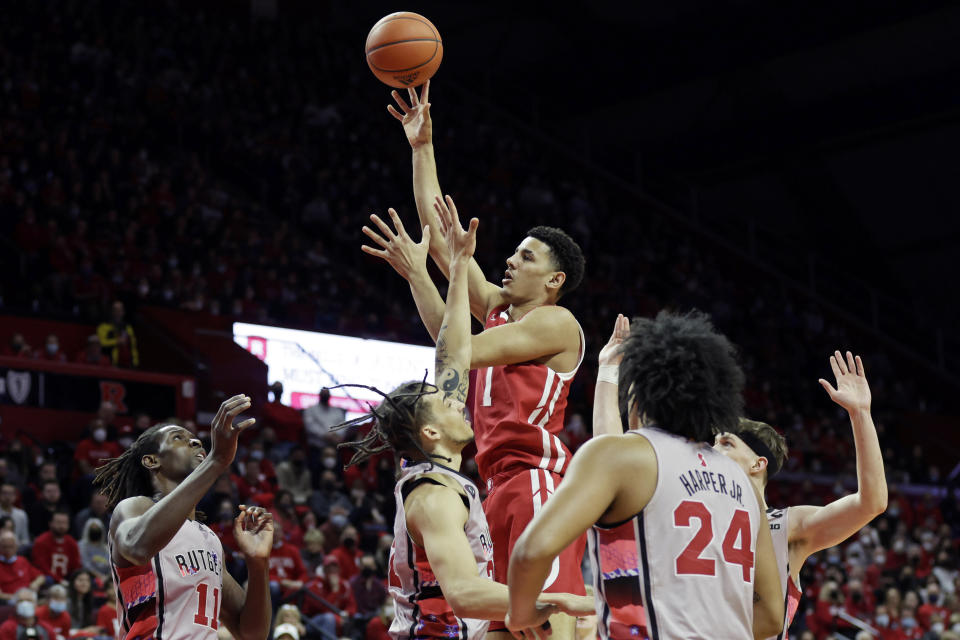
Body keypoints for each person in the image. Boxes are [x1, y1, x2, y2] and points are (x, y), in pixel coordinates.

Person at [346, 203, 591, 640]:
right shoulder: (498, 311)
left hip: (534, 478)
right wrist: (422, 148)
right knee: (505, 624)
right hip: (494, 486)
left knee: (548, 626)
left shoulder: (556, 322)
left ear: (555, 281)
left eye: (527, 256)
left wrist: (432, 274)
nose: (510, 261)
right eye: (515, 253)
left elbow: (457, 350)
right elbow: (443, 246)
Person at [506, 310, 784, 640]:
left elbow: (530, 553)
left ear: (642, 392)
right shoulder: (744, 485)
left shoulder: (621, 458)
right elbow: (770, 615)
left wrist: (521, 614)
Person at [712, 351, 888, 639]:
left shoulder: (787, 525)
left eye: (727, 444)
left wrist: (860, 415)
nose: (714, 451)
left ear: (758, 463)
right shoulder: (697, 512)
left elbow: (872, 502)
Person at [94, 394, 273, 640]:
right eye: (179, 438)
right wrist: (217, 460)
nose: (196, 442)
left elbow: (252, 633)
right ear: (151, 460)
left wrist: (258, 563)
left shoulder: (207, 537)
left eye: (195, 439)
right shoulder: (135, 508)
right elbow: (137, 547)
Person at [31, 510, 81, 581]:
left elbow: (76, 567)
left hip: (67, 580)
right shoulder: (41, 542)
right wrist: (59, 580)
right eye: (58, 522)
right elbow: (41, 567)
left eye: (64, 523)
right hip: (47, 579)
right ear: (50, 523)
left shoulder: (72, 543)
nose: (61, 526)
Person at [0, 531, 45, 600]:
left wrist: (35, 583)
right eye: (4, 547)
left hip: (28, 596)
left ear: (16, 547)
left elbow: (41, 577)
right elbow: (1, 595)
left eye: (11, 546)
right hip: (9, 601)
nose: (7, 550)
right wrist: (18, 598)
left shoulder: (22, 561)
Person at [97, 300, 139, 367]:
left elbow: (133, 346)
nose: (118, 313)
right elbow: (101, 343)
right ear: (111, 312)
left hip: (129, 364)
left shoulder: (128, 327)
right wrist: (117, 341)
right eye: (115, 310)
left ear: (123, 312)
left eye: (120, 310)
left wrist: (135, 362)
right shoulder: (103, 326)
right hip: (110, 364)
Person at [0, 483, 30, 549]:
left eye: (11, 494)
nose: (7, 496)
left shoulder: (22, 514)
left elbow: (25, 539)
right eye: (4, 493)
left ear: (15, 496)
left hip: (17, 549)